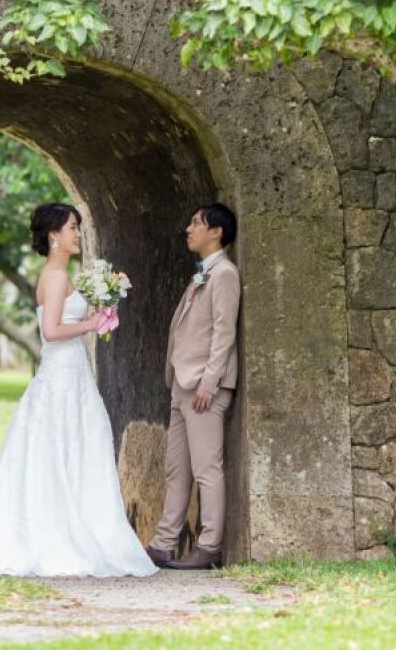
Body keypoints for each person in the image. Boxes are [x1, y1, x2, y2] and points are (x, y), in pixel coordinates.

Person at [0, 201, 157, 578]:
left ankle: (84, 525)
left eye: (77, 227)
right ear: (53, 234)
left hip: (72, 375)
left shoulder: (62, 274)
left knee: (79, 447)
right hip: (62, 377)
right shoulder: (54, 277)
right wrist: (89, 325)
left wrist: (94, 316)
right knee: (64, 447)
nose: (77, 233)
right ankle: (62, 536)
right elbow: (51, 331)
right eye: (71, 227)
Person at [146, 202, 241, 570]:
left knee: (207, 468)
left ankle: (210, 545)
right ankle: (162, 544)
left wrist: (210, 381)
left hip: (204, 386)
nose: (189, 229)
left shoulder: (225, 274)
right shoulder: (203, 273)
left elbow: (224, 332)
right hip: (182, 384)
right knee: (177, 470)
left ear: (216, 232)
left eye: (196, 223)